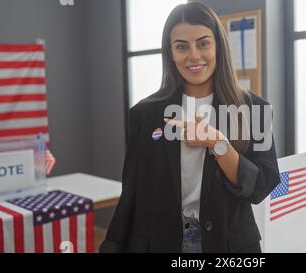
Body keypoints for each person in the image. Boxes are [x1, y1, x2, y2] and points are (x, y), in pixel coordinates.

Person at [100, 2, 280, 253]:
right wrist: (112, 245)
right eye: (182, 46)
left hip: (228, 245)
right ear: (171, 53)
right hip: (159, 242)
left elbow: (263, 185)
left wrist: (217, 142)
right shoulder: (144, 113)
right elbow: (132, 193)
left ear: (218, 46)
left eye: (203, 43)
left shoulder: (255, 109)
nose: (194, 55)